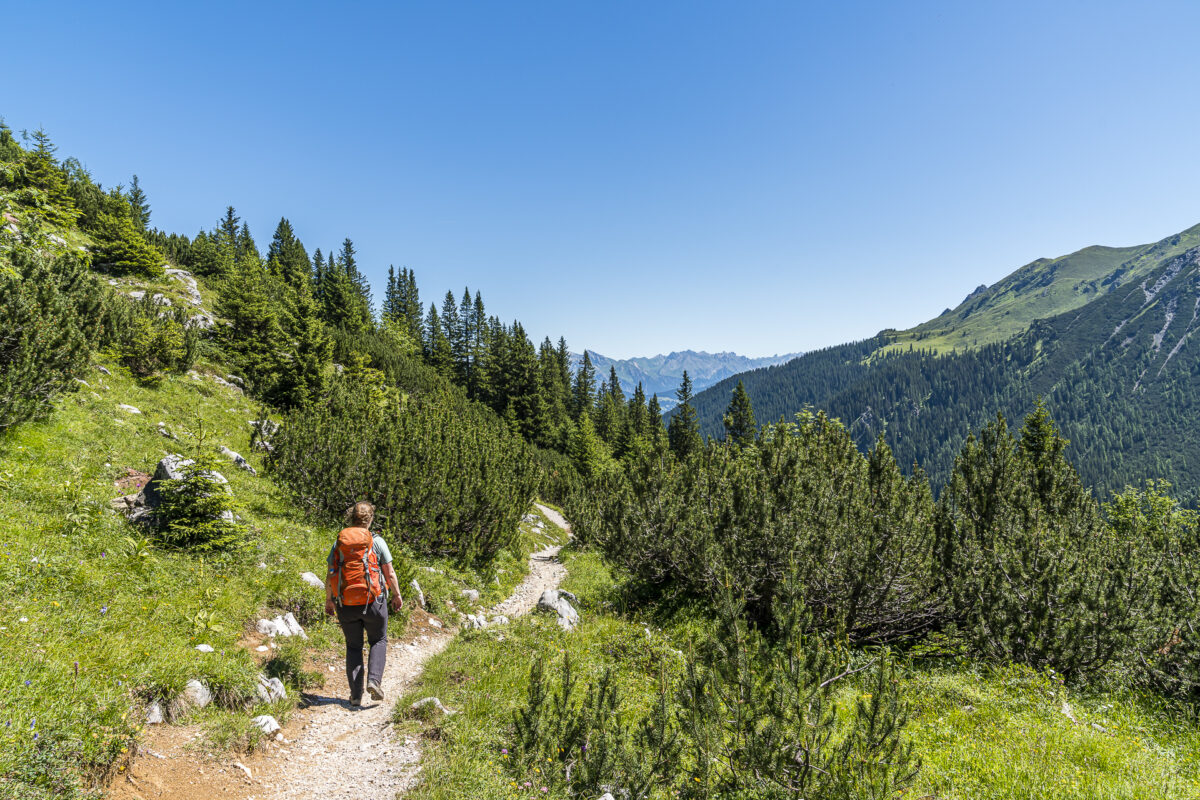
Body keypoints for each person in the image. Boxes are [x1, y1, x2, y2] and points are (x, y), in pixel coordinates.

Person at [324, 501, 403, 707]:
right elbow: (389, 573)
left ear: (352, 518)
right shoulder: (377, 541)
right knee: (378, 640)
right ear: (371, 519)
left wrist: (329, 600)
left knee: (353, 647)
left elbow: (331, 573)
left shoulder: (339, 543)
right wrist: (396, 595)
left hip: (346, 603)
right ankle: (374, 681)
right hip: (373, 601)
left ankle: (356, 695)